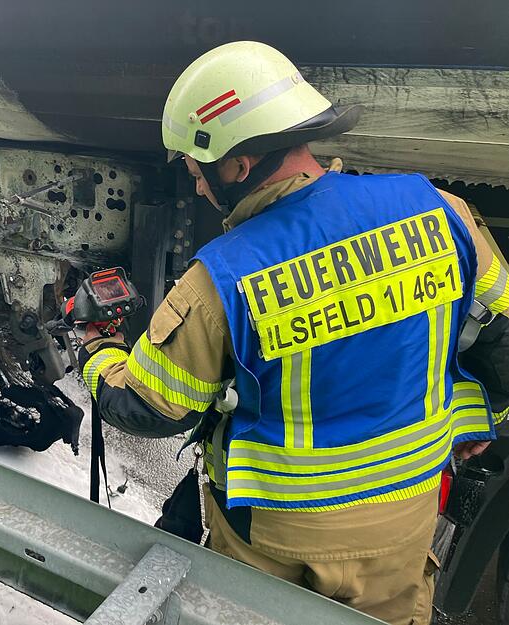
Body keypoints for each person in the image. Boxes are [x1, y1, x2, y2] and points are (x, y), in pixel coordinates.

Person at [78, 41, 508, 625]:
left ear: (236, 164)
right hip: (402, 522)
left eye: (196, 167)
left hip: (274, 539)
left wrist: (97, 352)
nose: (198, 186)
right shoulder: (440, 211)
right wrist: (485, 424)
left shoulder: (223, 277)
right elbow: (501, 338)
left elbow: (152, 408)